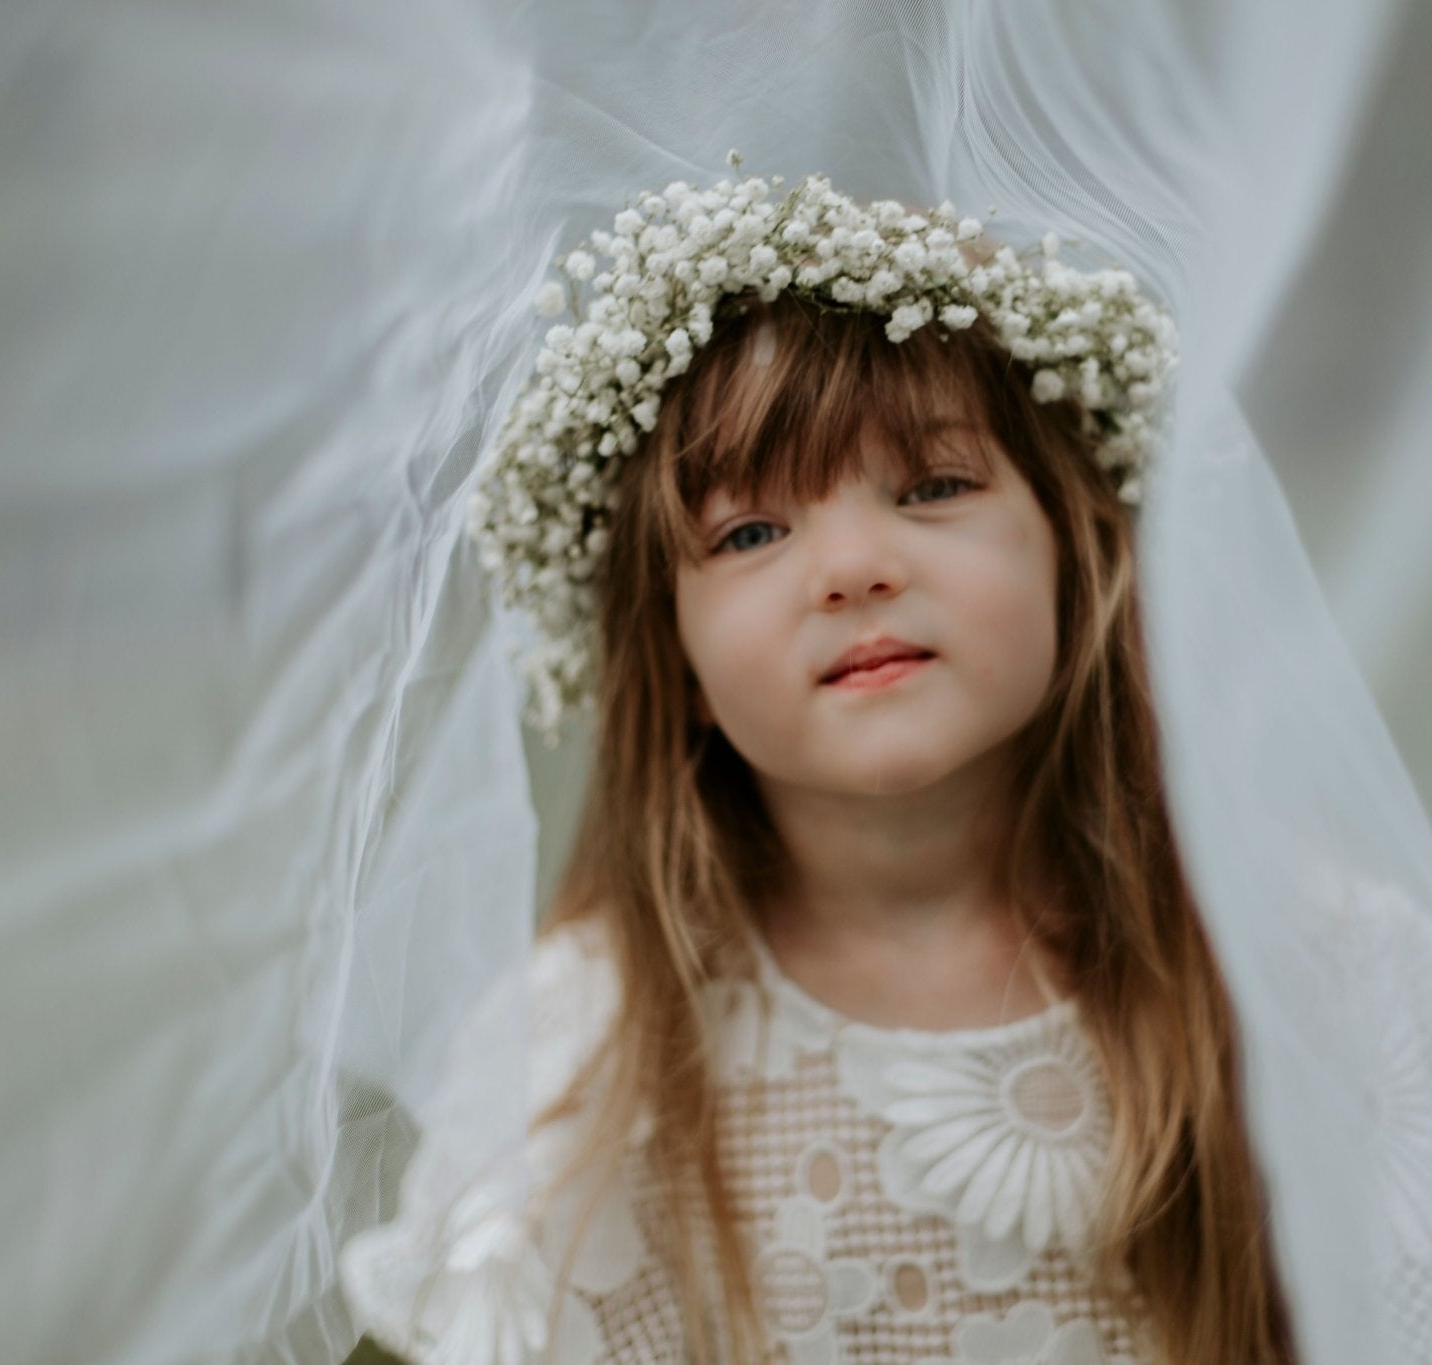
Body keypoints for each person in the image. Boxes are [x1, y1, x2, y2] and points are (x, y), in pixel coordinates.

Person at [339, 175, 1292, 1364]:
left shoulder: (1280, 964)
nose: (850, 566)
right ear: (669, 652)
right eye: (749, 533)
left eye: (934, 486)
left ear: (1071, 546)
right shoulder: (576, 1051)